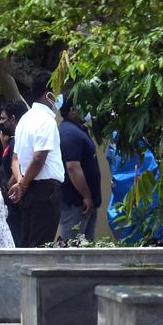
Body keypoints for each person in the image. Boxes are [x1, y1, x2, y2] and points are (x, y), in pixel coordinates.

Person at [8, 73, 65, 247]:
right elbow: (39, 158)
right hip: (44, 190)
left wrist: (21, 182)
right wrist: (22, 184)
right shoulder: (46, 120)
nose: (59, 96)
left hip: (28, 189)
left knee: (27, 244)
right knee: (40, 247)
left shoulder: (24, 119)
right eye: (57, 91)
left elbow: (15, 159)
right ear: (48, 95)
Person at [57, 97, 102, 242]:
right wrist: (86, 196)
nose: (88, 110)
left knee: (87, 248)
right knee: (72, 247)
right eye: (84, 105)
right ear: (73, 110)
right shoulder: (70, 133)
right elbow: (72, 167)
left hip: (84, 204)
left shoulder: (76, 130)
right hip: (76, 204)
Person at [0, 99, 27, 247]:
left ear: (13, 119)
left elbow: (19, 167)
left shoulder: (19, 141)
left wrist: (8, 189)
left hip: (16, 202)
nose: (0, 122)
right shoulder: (12, 142)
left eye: (3, 118)